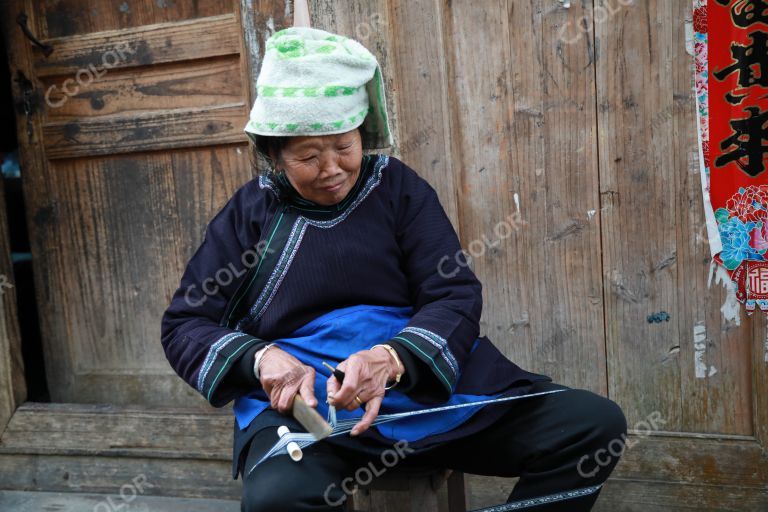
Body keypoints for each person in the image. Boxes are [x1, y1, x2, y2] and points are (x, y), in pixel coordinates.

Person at [160, 26, 626, 511]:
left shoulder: (398, 189)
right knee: (278, 500)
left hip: (425, 395)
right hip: (309, 418)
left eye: (344, 146)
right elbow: (184, 325)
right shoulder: (249, 213)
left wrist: (391, 358)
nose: (332, 168)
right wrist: (262, 360)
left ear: (363, 133)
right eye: (308, 156)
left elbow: (454, 294)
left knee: (593, 425)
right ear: (274, 155)